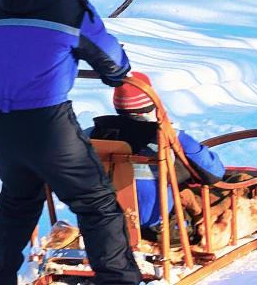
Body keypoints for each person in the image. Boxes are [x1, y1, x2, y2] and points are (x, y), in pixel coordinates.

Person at [0, 0, 142, 285]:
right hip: (46, 124)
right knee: (96, 203)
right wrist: (118, 74)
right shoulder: (68, 5)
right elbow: (111, 61)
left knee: (18, 202)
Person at [87, 72, 226, 234]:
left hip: (103, 222)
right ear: (152, 103)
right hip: (159, 225)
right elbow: (215, 172)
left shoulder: (90, 136)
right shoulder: (168, 135)